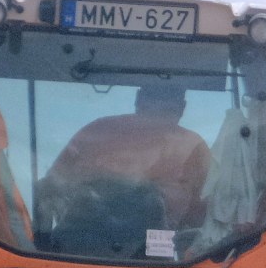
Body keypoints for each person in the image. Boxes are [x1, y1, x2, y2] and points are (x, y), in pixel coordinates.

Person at [36, 83, 212, 232]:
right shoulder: (96, 132)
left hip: (157, 249)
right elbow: (50, 189)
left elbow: (206, 211)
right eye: (149, 110)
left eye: (167, 112)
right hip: (81, 242)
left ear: (182, 109)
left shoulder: (193, 148)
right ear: (138, 101)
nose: (155, 124)